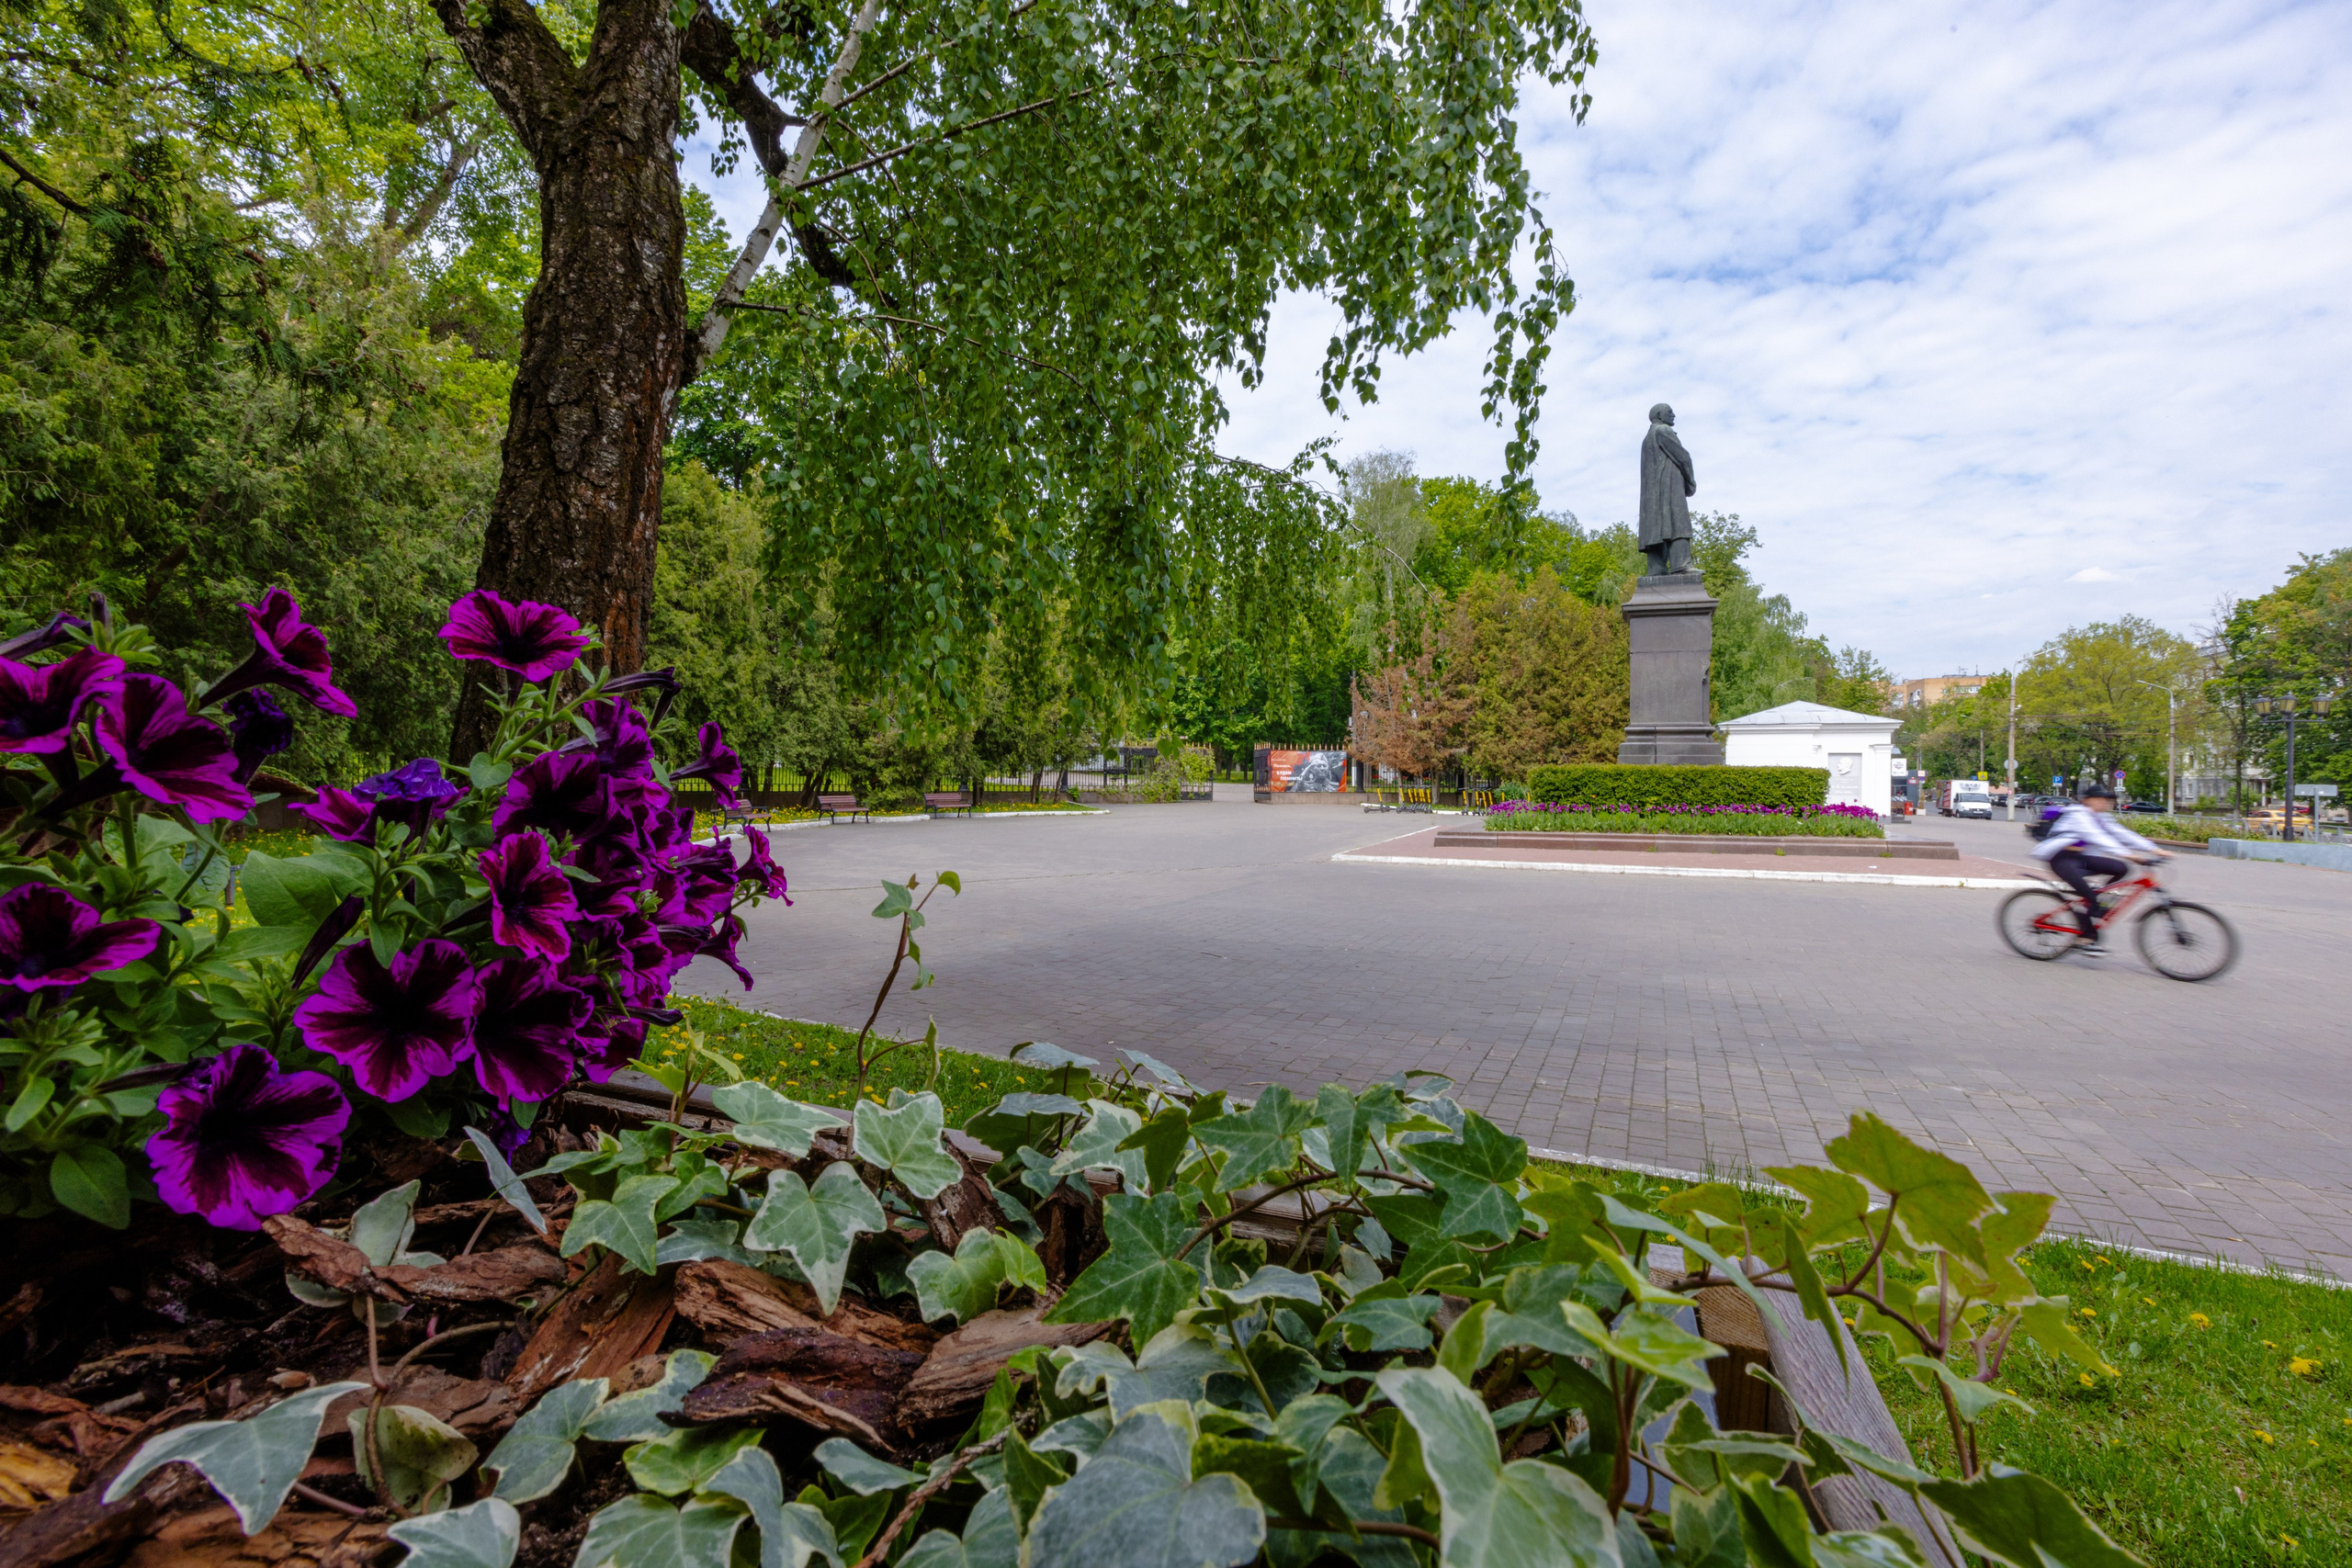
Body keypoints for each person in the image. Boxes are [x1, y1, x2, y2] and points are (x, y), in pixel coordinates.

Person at [2031, 784, 2166, 954]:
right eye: (2100, 799)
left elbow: (2121, 833)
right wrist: (2129, 854)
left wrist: (2153, 849)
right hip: (2062, 860)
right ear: (2087, 800)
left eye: (2106, 799)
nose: (2104, 803)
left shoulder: (2100, 817)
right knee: (2089, 895)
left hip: (2081, 859)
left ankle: (2096, 901)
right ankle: (2086, 937)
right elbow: (2097, 836)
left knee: (2121, 868)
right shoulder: (2078, 815)